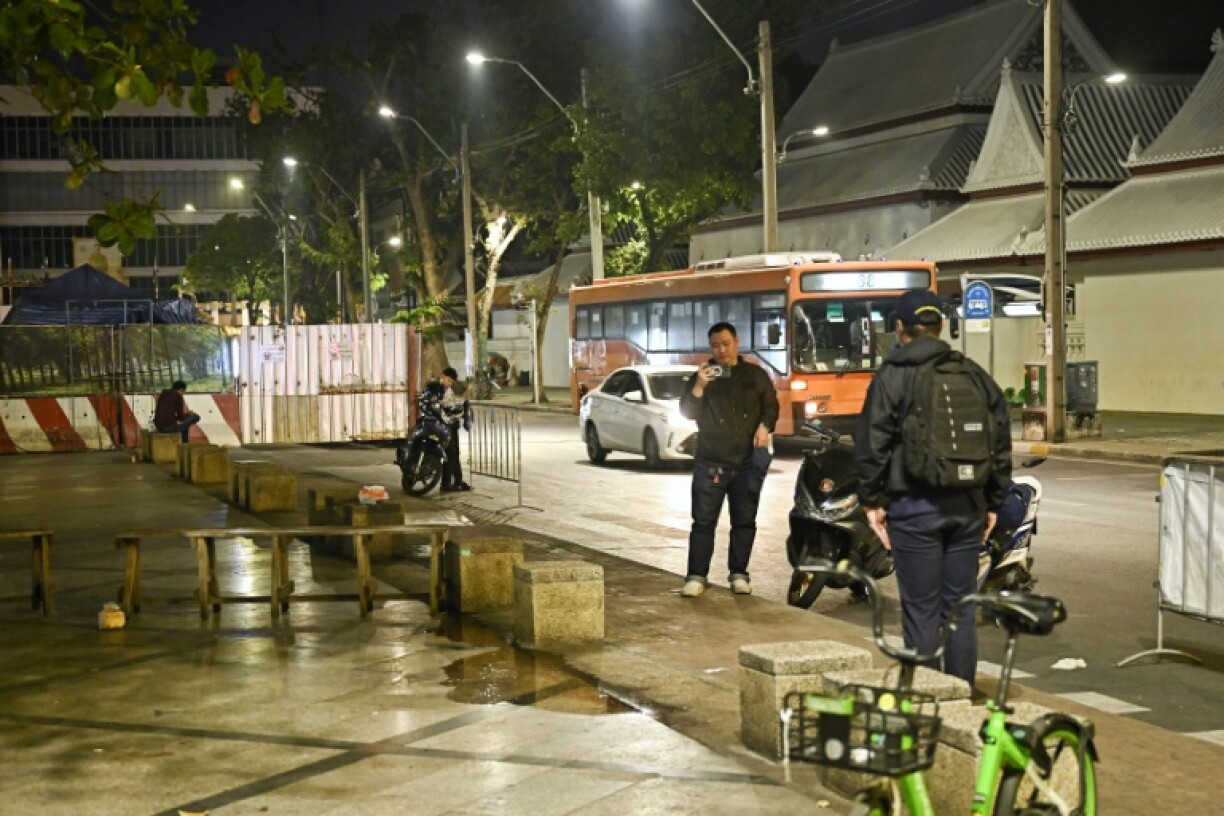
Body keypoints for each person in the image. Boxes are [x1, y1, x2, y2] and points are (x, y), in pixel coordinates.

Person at [854, 289, 1012, 687]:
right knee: (958, 609)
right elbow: (999, 441)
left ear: (900, 328)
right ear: (941, 327)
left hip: (914, 507)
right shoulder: (973, 373)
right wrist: (991, 501)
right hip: (966, 509)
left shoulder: (892, 375)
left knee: (921, 610)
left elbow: (873, 441)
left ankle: (929, 702)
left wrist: (872, 500)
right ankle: (960, 696)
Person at [678, 322, 779, 597]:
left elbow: (771, 406)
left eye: (725, 344)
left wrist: (765, 426)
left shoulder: (755, 375)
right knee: (703, 522)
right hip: (711, 461)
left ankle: (739, 573)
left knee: (744, 521)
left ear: (736, 342)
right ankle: (697, 576)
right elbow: (687, 411)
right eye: (715, 345)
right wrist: (699, 385)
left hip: (747, 462)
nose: (721, 350)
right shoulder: (703, 376)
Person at [438, 367, 471, 492]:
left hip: (452, 425)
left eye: (450, 381)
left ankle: (457, 481)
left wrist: (462, 411)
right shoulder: (439, 390)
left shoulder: (448, 390)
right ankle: (446, 483)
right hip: (446, 425)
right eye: (447, 379)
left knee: (455, 454)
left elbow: (451, 407)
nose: (448, 383)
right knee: (450, 454)